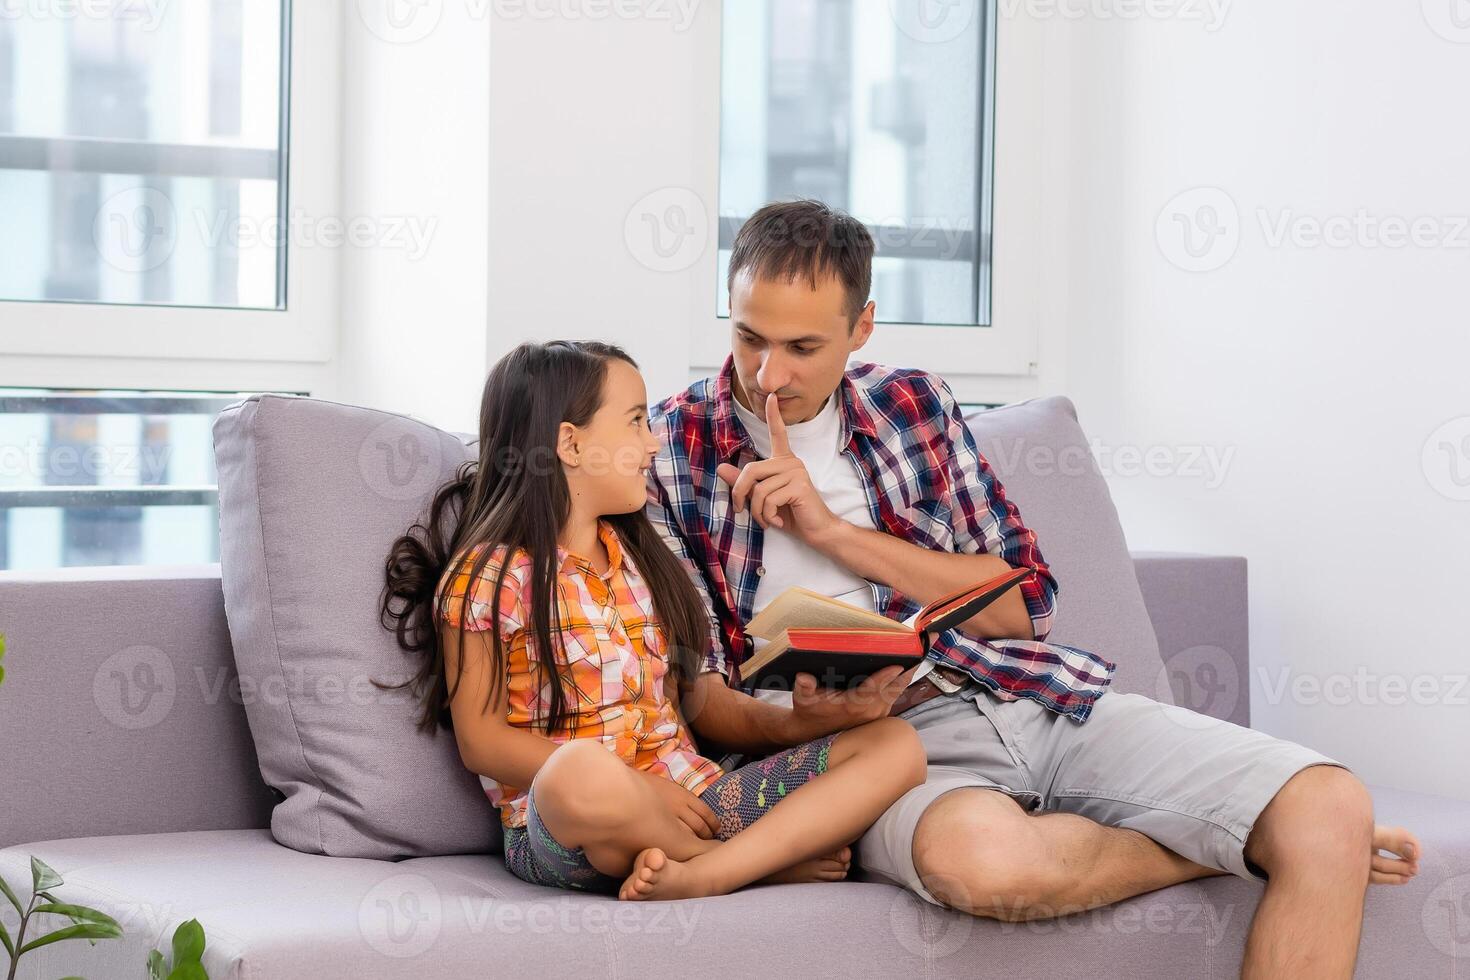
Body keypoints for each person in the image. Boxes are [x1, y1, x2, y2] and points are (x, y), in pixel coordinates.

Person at [644, 199, 1421, 975]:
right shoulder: (669, 449)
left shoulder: (911, 406)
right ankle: (1233, 838)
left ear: (862, 327)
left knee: (1328, 809)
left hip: (1011, 694)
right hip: (861, 752)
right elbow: (699, 695)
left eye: (802, 346)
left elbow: (1026, 603)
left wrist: (833, 534)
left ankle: (1265, 829)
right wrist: (804, 723)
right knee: (990, 863)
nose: (767, 374)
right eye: (748, 336)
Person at [380, 339, 927, 901]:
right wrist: (638, 789)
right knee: (579, 773)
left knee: (895, 745)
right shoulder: (489, 575)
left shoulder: (640, 557)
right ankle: (745, 866)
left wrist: (799, 725)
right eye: (636, 422)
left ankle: (710, 869)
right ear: (570, 443)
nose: (653, 441)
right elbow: (482, 743)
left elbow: (678, 708)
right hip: (570, 827)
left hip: (691, 800)